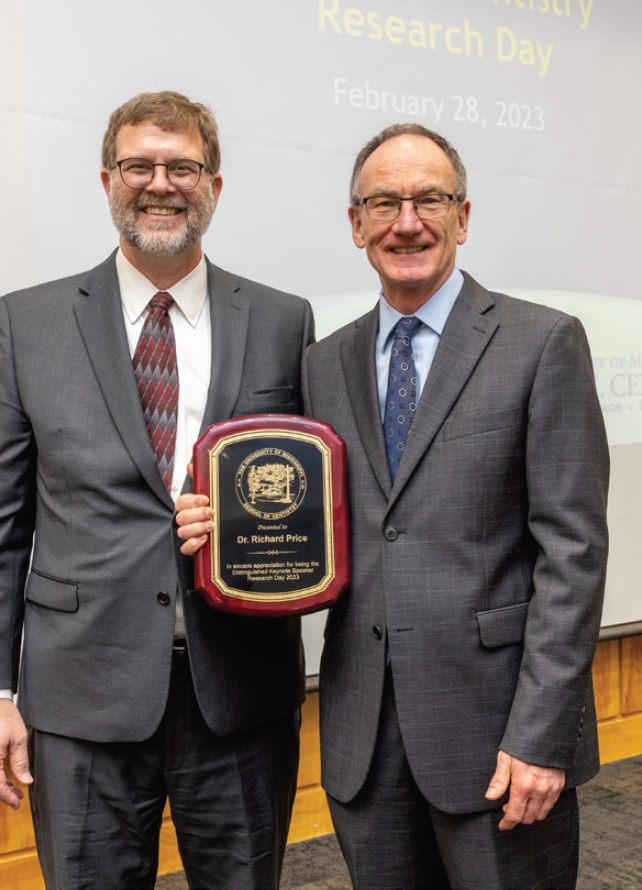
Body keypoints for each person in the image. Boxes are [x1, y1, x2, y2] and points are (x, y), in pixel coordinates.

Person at [176, 124, 609, 888]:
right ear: (356, 225)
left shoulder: (542, 342)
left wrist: (542, 735)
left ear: (464, 217)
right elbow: (309, 520)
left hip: (500, 737)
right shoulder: (324, 361)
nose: (406, 221)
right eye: (383, 203)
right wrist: (219, 527)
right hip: (363, 736)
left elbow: (572, 557)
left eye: (429, 200)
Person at [0, 90, 314, 890]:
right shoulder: (30, 321)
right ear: (107, 180)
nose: (161, 183)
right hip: (80, 697)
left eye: (183, 166)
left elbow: (311, 491)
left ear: (214, 186)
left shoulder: (284, 321)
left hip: (241, 693)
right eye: (139, 165)